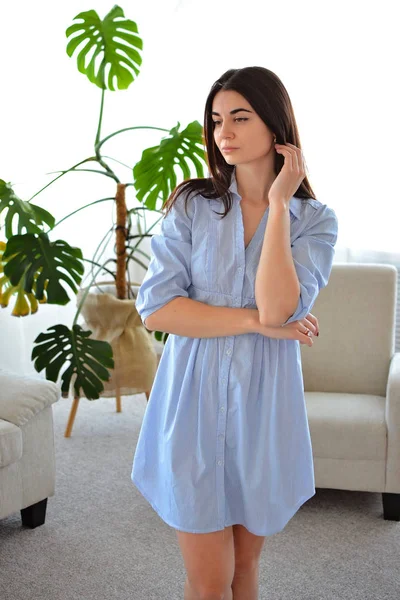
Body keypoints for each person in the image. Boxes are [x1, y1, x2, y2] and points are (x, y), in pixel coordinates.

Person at [131, 66, 338, 600]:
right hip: (191, 399)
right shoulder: (192, 207)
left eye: (240, 117)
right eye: (217, 119)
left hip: (264, 405)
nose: (224, 131)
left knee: (244, 571)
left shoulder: (313, 220)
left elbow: (277, 309)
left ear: (275, 125)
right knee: (208, 582)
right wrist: (250, 323)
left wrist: (276, 206)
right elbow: (157, 307)